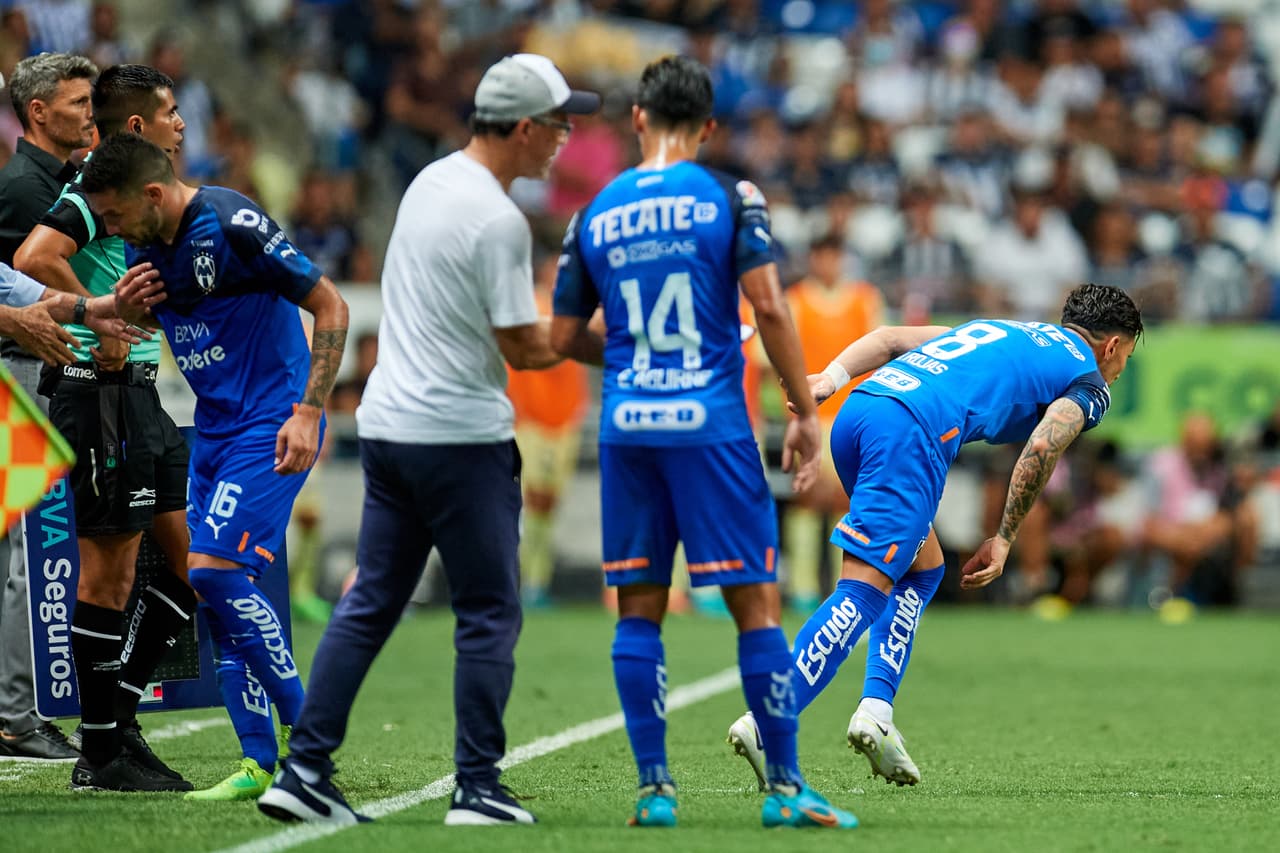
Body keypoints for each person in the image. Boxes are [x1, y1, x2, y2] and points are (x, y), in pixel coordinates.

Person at [256, 53, 598, 827]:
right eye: (556, 122)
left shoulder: (430, 181)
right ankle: (477, 785)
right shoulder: (499, 218)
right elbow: (525, 346)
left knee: (372, 599)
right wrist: (613, 339)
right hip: (459, 436)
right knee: (487, 611)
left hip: (389, 427)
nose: (565, 137)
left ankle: (304, 767)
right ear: (520, 128)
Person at [550, 55, 858, 830]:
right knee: (756, 605)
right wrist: (802, 407)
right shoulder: (731, 196)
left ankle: (655, 789)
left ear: (639, 120)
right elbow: (771, 307)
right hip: (712, 423)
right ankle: (785, 787)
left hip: (629, 428)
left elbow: (561, 335)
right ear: (709, 127)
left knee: (638, 610)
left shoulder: (596, 212)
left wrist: (628, 356)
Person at [727, 282, 1142, 789]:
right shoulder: (1088, 381)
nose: (1118, 373)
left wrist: (829, 379)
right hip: (911, 432)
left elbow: (888, 339)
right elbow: (1042, 447)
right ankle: (769, 719)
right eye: (1125, 358)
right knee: (863, 588)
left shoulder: (1004, 330)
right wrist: (1005, 536)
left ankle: (876, 712)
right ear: (1113, 346)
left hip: (860, 412)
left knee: (923, 570)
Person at [80, 132, 349, 800]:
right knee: (219, 595)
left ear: (151, 193)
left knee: (211, 570)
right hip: (215, 431)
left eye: (113, 216)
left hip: (271, 422)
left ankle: (310, 745)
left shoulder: (233, 224)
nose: (109, 230)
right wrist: (127, 309)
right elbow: (139, 333)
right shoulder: (144, 248)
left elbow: (331, 305)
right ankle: (261, 761)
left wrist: (310, 411)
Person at [15, 63, 196, 792]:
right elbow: (33, 258)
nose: (181, 123)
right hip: (97, 394)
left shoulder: (139, 193)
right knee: (110, 572)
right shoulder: (95, 185)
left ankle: (114, 723)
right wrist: (101, 310)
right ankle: (102, 751)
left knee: (193, 560)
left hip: (140, 394)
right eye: (170, 112)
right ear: (137, 128)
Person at [0, 50, 96, 763]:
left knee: (25, 548)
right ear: (37, 112)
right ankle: (12, 714)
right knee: (20, 549)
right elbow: (20, 298)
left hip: (39, 372)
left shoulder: (58, 181)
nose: (88, 112)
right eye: (76, 102)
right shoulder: (21, 192)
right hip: (17, 376)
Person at [779, 234, 883, 614]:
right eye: (821, 256)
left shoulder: (864, 299)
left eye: (834, 255)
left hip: (851, 417)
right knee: (806, 501)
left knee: (846, 502)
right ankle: (804, 587)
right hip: (809, 416)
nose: (828, 263)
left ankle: (844, 584)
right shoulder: (796, 301)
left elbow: (881, 357)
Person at [507, 253, 589, 608]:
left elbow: (578, 369)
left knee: (549, 505)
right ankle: (520, 579)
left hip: (563, 424)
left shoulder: (575, 313)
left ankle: (537, 581)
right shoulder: (531, 308)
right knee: (528, 502)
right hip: (532, 424)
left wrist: (576, 411)